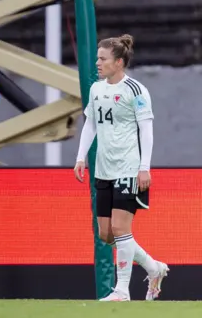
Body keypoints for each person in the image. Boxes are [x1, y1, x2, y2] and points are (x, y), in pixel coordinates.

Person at [74, 34, 168, 302]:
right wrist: (81, 157)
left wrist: (144, 167)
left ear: (118, 62)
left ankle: (121, 291)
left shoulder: (135, 90)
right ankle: (153, 267)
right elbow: (90, 124)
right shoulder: (96, 89)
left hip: (128, 168)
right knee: (105, 234)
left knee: (120, 229)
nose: (98, 63)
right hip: (103, 169)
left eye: (102, 59)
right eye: (97, 58)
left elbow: (146, 129)